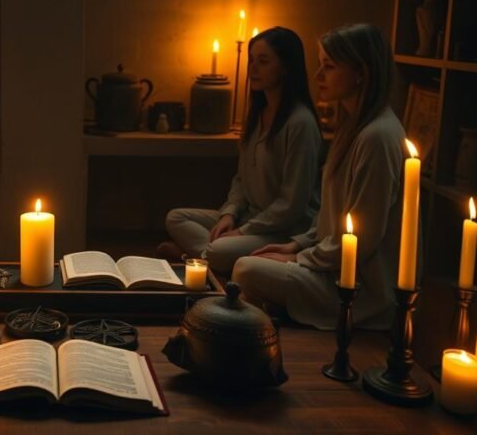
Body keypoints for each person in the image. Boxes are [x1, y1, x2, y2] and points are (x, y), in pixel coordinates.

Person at [232, 23, 404, 330]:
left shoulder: (377, 137)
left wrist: (301, 259)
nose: (318, 76)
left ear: (360, 73)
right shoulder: (352, 127)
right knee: (252, 265)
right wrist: (296, 245)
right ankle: (275, 309)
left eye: (330, 66)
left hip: (355, 283)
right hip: (329, 261)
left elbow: (362, 238)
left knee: (245, 268)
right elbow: (330, 216)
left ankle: (284, 309)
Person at [159, 27, 321, 275]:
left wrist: (243, 231)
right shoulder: (257, 115)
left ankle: (197, 257)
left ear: (286, 67)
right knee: (176, 218)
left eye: (263, 61)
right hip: (249, 218)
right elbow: (241, 180)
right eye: (251, 60)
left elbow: (292, 205)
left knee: (219, 249)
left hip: (281, 229)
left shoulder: (300, 123)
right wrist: (229, 215)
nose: (253, 68)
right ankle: (204, 257)